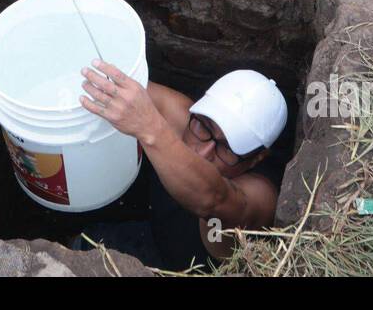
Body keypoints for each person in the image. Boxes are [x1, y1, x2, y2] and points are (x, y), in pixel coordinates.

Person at [75, 67, 289, 269]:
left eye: (227, 148)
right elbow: (113, 83)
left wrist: (150, 128)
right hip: (149, 234)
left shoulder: (260, 198)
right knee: (81, 244)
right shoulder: (183, 119)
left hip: (180, 269)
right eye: (205, 126)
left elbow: (214, 199)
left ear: (256, 159)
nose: (203, 153)